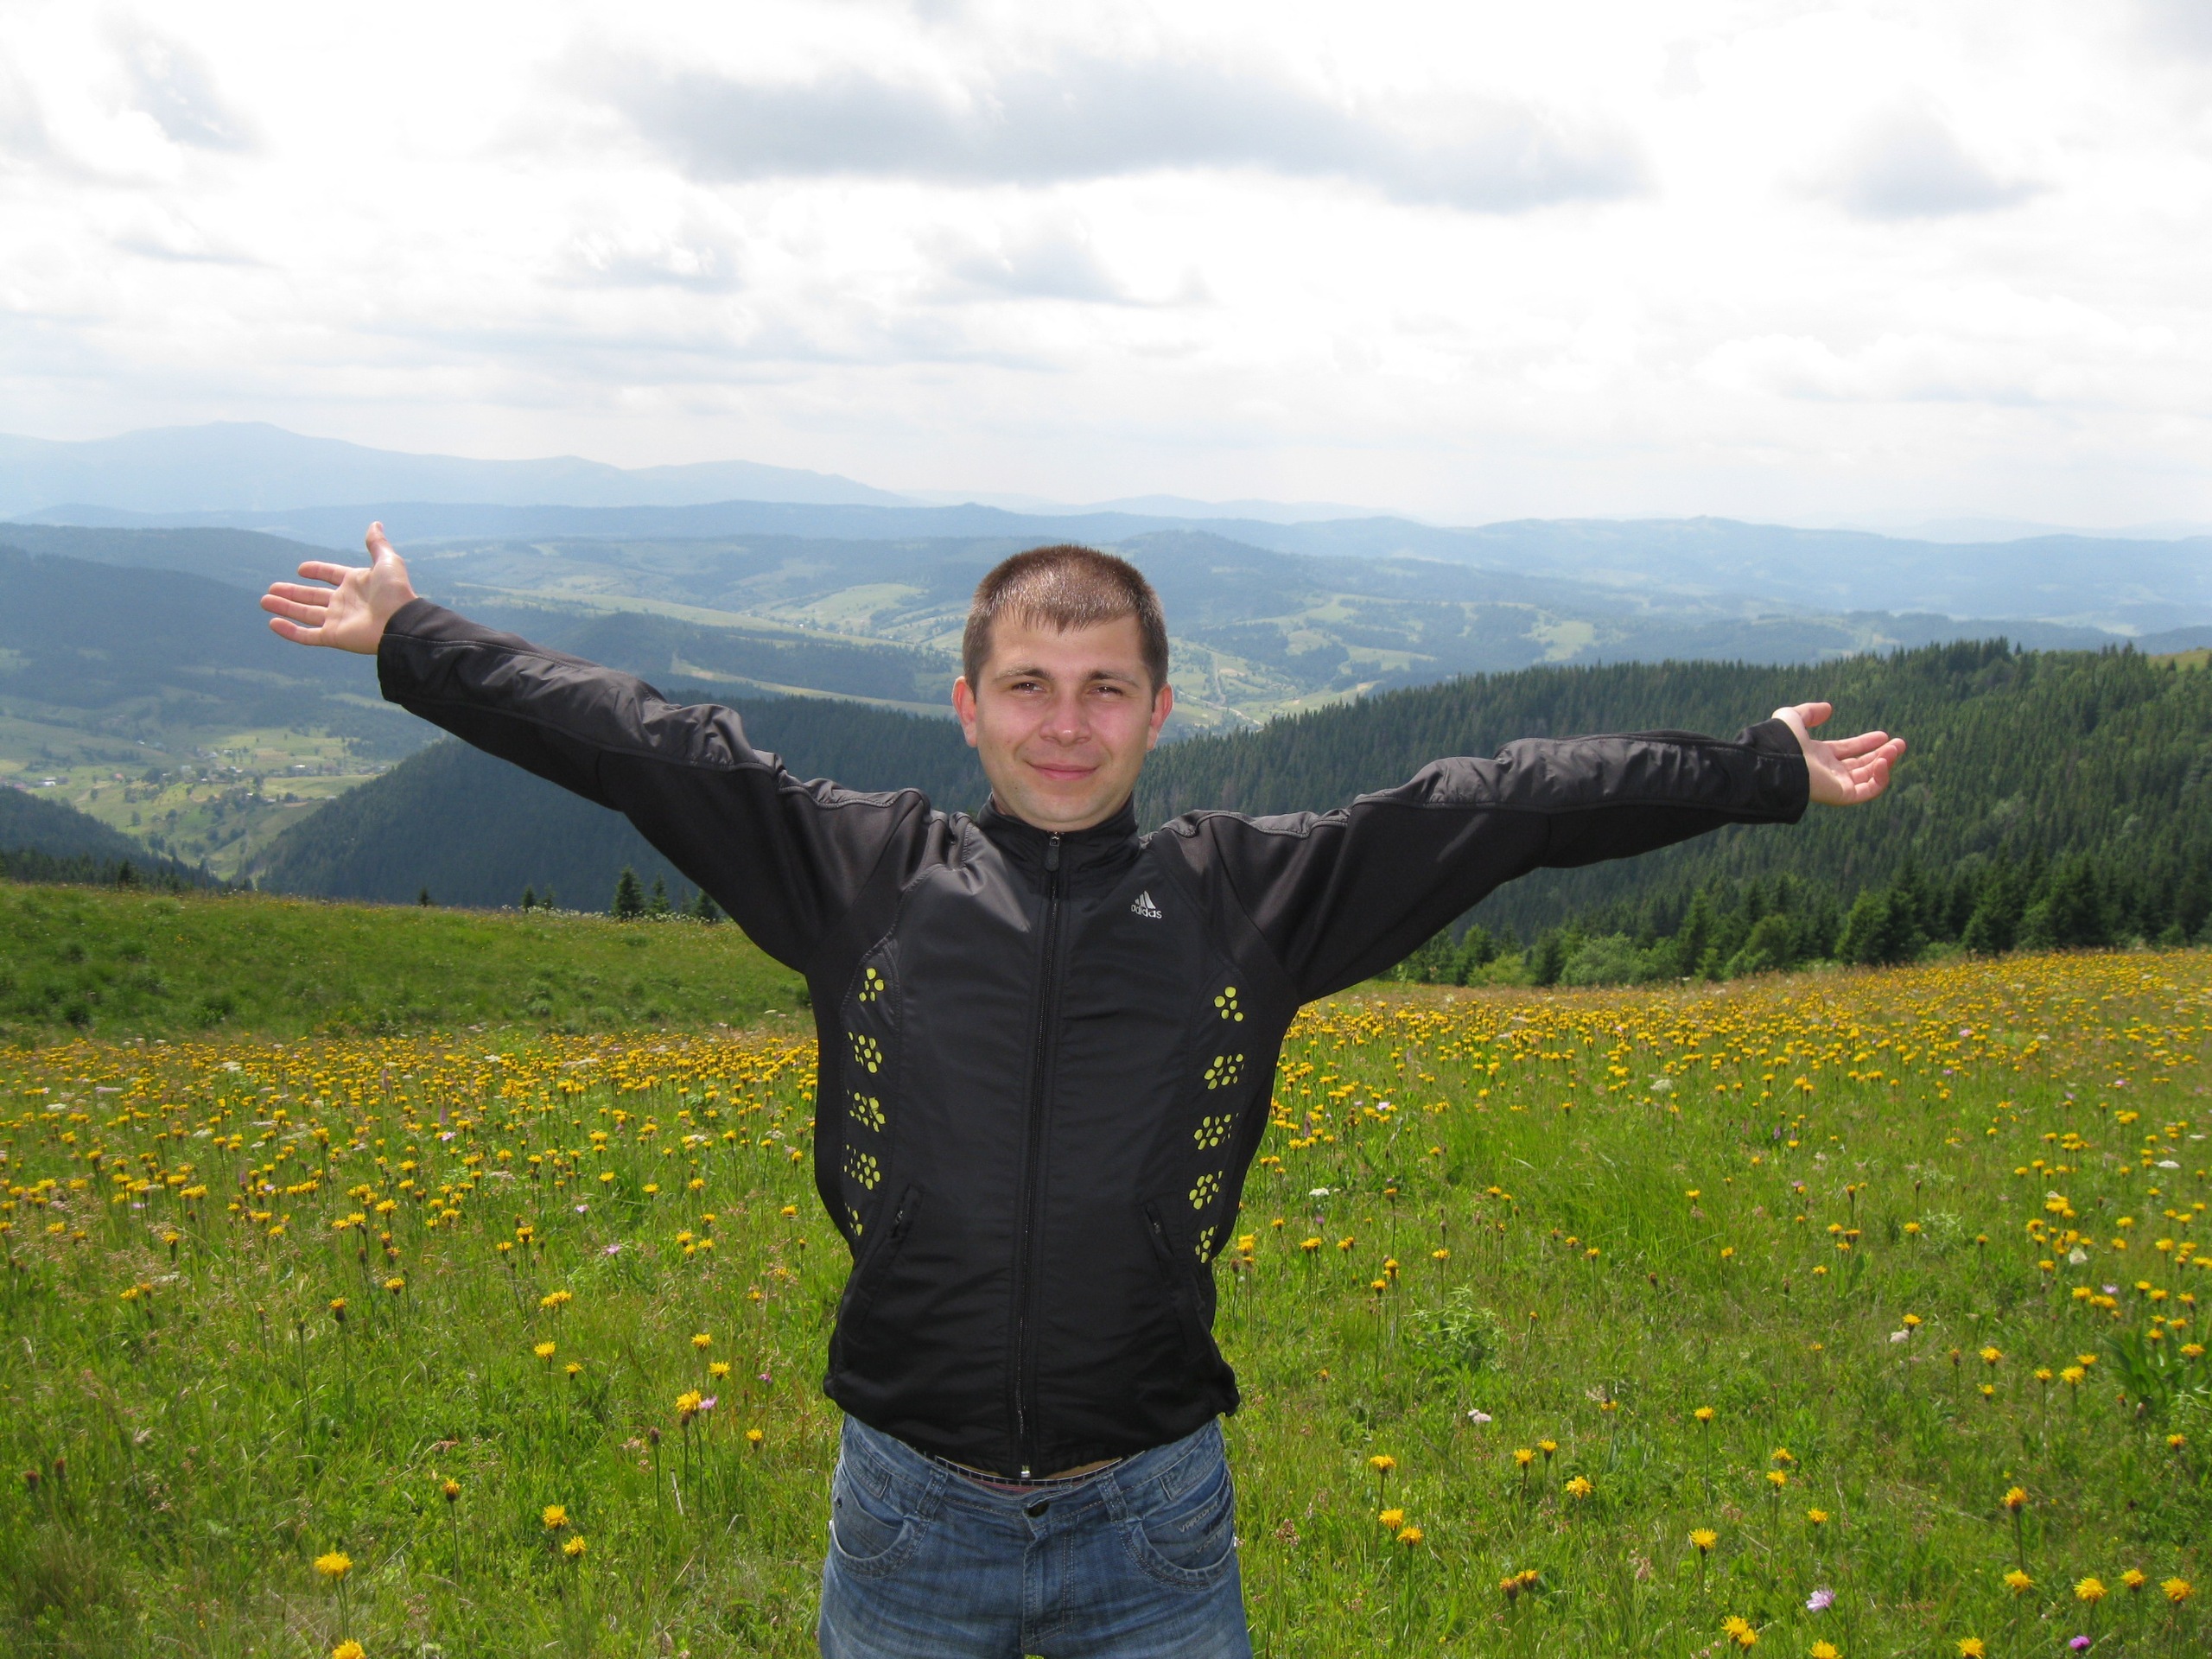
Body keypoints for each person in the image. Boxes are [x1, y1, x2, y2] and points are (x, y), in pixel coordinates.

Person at [264, 526, 1904, 1658]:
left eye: (1106, 689)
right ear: (968, 707)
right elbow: (638, 741)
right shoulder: (859, 873)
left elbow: (1505, 804)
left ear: (1160, 711)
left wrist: (1757, 770)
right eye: (1031, 688)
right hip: (907, 1510)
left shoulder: (1250, 899)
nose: (1068, 726)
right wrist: (413, 637)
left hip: (1154, 1516)